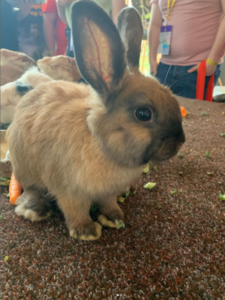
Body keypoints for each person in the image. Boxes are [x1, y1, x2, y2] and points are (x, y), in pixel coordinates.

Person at [148, 0, 225, 99]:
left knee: (192, 114)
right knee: (161, 112)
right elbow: (155, 23)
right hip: (164, 66)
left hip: (197, 67)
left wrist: (212, 61)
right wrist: (151, 59)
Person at [56, 0, 126, 57]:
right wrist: (60, 4)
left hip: (101, 40)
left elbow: (118, 20)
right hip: (73, 40)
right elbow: (65, 20)